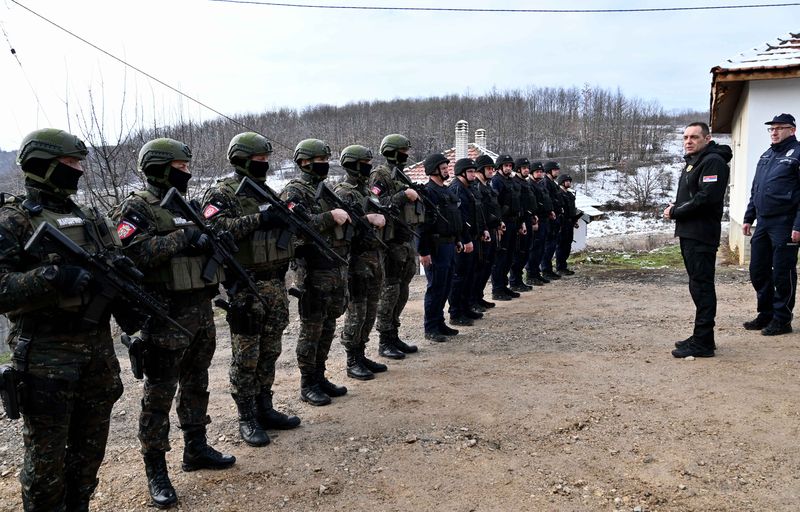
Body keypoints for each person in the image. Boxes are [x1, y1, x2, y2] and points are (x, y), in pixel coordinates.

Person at [0, 128, 124, 511]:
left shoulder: (85, 214)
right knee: (46, 464)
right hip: (45, 357)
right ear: (43, 166)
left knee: (89, 451)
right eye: (70, 163)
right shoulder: (13, 220)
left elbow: (115, 258)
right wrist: (51, 277)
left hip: (95, 351)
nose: (79, 170)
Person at [111, 138, 235, 508]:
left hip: (199, 311)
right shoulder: (136, 206)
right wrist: (186, 237)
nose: (187, 171)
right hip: (164, 315)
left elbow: (203, 241)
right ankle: (156, 470)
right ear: (161, 168)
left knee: (197, 383)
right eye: (180, 166)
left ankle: (195, 448)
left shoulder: (187, 204)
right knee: (159, 394)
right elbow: (133, 253)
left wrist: (213, 241)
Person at [200, 132, 300, 447]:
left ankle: (265, 407)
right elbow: (216, 230)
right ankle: (246, 417)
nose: (265, 165)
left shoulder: (266, 191)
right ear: (242, 160)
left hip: (274, 282)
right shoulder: (222, 193)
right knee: (246, 354)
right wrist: (260, 219)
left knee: (270, 350)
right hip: (245, 285)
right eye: (259, 160)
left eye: (266, 160)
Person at [280, 139, 351, 406]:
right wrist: (330, 217)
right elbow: (296, 228)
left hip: (333, 268)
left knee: (328, 325)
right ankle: (307, 382)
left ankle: (320, 376)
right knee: (311, 328)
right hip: (312, 270)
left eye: (325, 159)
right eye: (319, 159)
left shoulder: (323, 189)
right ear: (304, 162)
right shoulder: (294, 191)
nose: (324, 164)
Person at [664, 122, 731, 358]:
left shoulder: (713, 161)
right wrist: (677, 207)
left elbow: (706, 198)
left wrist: (676, 212)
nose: (688, 141)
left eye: (694, 137)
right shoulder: (696, 161)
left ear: (707, 138)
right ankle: (703, 337)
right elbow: (694, 195)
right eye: (685, 137)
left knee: (702, 287)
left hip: (701, 234)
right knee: (697, 285)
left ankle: (702, 343)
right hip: (690, 232)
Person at [742, 113, 800, 336]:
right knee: (758, 270)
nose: (774, 132)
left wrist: (798, 225)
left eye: (779, 128)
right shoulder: (767, 155)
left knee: (782, 273)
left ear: (792, 130)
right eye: (771, 129)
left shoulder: (797, 153)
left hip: (785, 224)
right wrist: (749, 217)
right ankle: (765, 313)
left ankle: (782, 319)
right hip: (763, 223)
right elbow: (756, 188)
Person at [333, 144, 388, 381]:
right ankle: (352, 358)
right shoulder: (344, 192)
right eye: (364, 163)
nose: (369, 167)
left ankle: (361, 352)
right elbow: (343, 226)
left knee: (371, 307)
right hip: (356, 259)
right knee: (358, 308)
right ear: (354, 165)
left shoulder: (366, 191)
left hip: (374, 256)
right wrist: (367, 218)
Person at [368, 134, 423, 359]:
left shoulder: (399, 174)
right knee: (390, 290)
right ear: (392, 151)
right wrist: (402, 195)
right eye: (403, 151)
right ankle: (384, 340)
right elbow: (377, 203)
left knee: (402, 290)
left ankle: (394, 334)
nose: (407, 155)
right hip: (389, 243)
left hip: (404, 240)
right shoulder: (379, 175)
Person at [418, 153, 468, 342]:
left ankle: (439, 323)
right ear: (433, 170)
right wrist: (423, 251)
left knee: (446, 286)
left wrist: (457, 240)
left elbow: (453, 219)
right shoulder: (428, 193)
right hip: (435, 247)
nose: (447, 170)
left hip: (449, 245)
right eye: (443, 167)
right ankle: (430, 326)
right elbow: (422, 225)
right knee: (436, 288)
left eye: (447, 167)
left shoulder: (447, 192)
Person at [448, 157, 489, 325]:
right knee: (459, 278)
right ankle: (455, 312)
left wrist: (483, 229)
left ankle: (465, 308)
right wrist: (465, 240)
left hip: (474, 237)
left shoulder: (470, 188)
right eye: (470, 171)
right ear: (462, 172)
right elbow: (460, 219)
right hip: (464, 240)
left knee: (469, 275)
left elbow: (478, 212)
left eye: (474, 171)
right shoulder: (457, 189)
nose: (473, 174)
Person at [471, 154, 502, 311]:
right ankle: (473, 300)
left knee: (487, 266)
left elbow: (494, 208)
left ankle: (479, 296)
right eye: (489, 169)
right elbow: (480, 212)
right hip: (482, 232)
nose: (491, 171)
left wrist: (499, 222)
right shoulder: (476, 187)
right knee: (479, 267)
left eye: (492, 168)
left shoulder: (488, 186)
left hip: (492, 230)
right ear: (480, 170)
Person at [490, 154, 522, 301]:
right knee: (501, 257)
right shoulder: (496, 181)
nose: (508, 168)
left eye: (510, 165)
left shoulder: (511, 181)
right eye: (506, 165)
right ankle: (497, 289)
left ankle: (504, 286)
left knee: (510, 256)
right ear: (500, 167)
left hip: (514, 221)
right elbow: (495, 203)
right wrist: (499, 222)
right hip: (504, 222)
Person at [509, 157, 536, 292]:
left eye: (527, 168)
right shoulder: (515, 183)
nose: (527, 170)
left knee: (526, 251)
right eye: (524, 168)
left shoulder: (525, 183)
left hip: (528, 219)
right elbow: (517, 205)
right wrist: (521, 222)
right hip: (520, 221)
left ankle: (519, 280)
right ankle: (514, 281)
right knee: (519, 253)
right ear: (518, 169)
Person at [526, 161, 554, 286]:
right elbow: (531, 204)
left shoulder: (541, 185)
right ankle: (531, 274)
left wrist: (550, 211)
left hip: (545, 219)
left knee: (541, 248)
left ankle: (536, 273)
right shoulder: (529, 185)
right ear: (532, 172)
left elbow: (546, 201)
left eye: (541, 171)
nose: (540, 173)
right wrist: (533, 218)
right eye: (537, 171)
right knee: (535, 249)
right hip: (537, 220)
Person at [540, 161, 563, 280]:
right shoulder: (545, 183)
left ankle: (548, 268)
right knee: (548, 245)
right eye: (555, 170)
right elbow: (547, 200)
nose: (557, 172)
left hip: (556, 218)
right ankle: (545, 269)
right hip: (550, 218)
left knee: (552, 245)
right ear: (549, 171)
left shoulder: (552, 183)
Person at [555, 174, 580, 276]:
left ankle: (563, 265)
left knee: (567, 245)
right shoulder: (559, 193)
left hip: (570, 222)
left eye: (569, 181)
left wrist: (575, 220)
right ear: (562, 182)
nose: (568, 183)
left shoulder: (570, 195)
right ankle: (559, 267)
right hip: (562, 222)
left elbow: (572, 209)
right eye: (566, 181)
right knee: (561, 245)